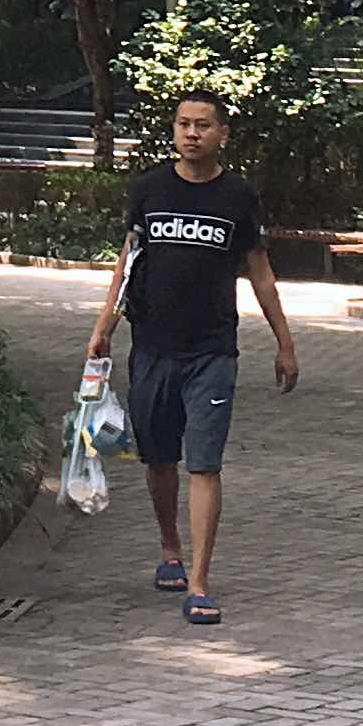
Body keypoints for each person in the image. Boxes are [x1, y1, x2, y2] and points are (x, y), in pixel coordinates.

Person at [83, 87, 297, 624]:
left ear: (222, 133)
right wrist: (105, 324)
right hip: (152, 346)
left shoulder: (238, 197)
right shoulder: (150, 189)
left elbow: (261, 274)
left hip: (213, 352)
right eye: (184, 124)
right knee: (159, 459)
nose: (192, 133)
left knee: (204, 462)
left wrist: (285, 343)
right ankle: (169, 548)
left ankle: (199, 583)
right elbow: (128, 263)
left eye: (203, 125)